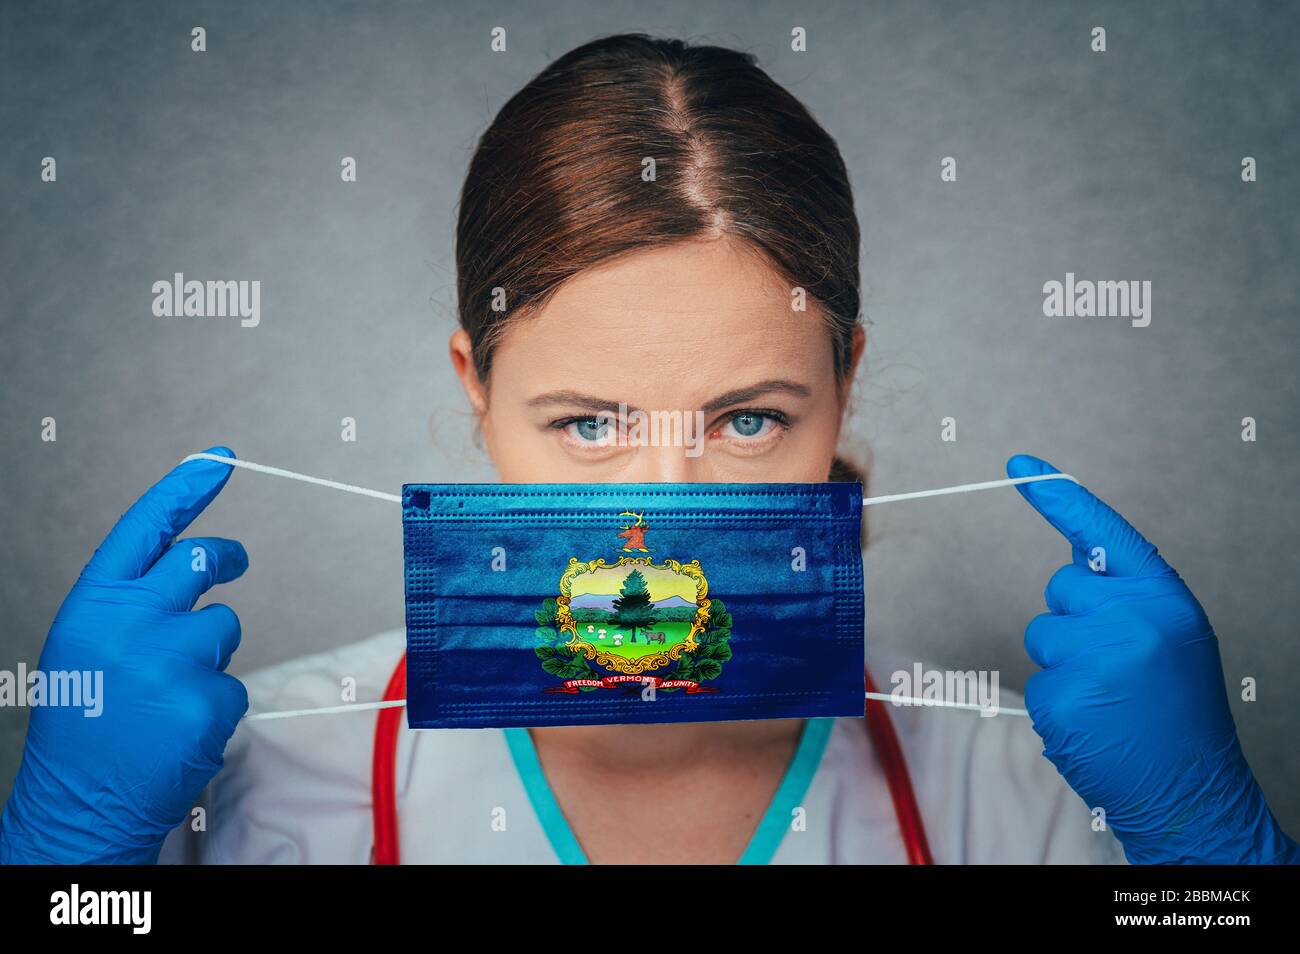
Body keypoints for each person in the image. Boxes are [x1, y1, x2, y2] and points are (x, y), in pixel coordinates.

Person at [1, 34, 1294, 866]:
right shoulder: (247, 778)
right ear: (477, 389)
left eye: (748, 419)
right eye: (587, 424)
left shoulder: (1029, 790)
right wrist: (66, 869)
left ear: (842, 388)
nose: (658, 520)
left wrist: (1215, 857)